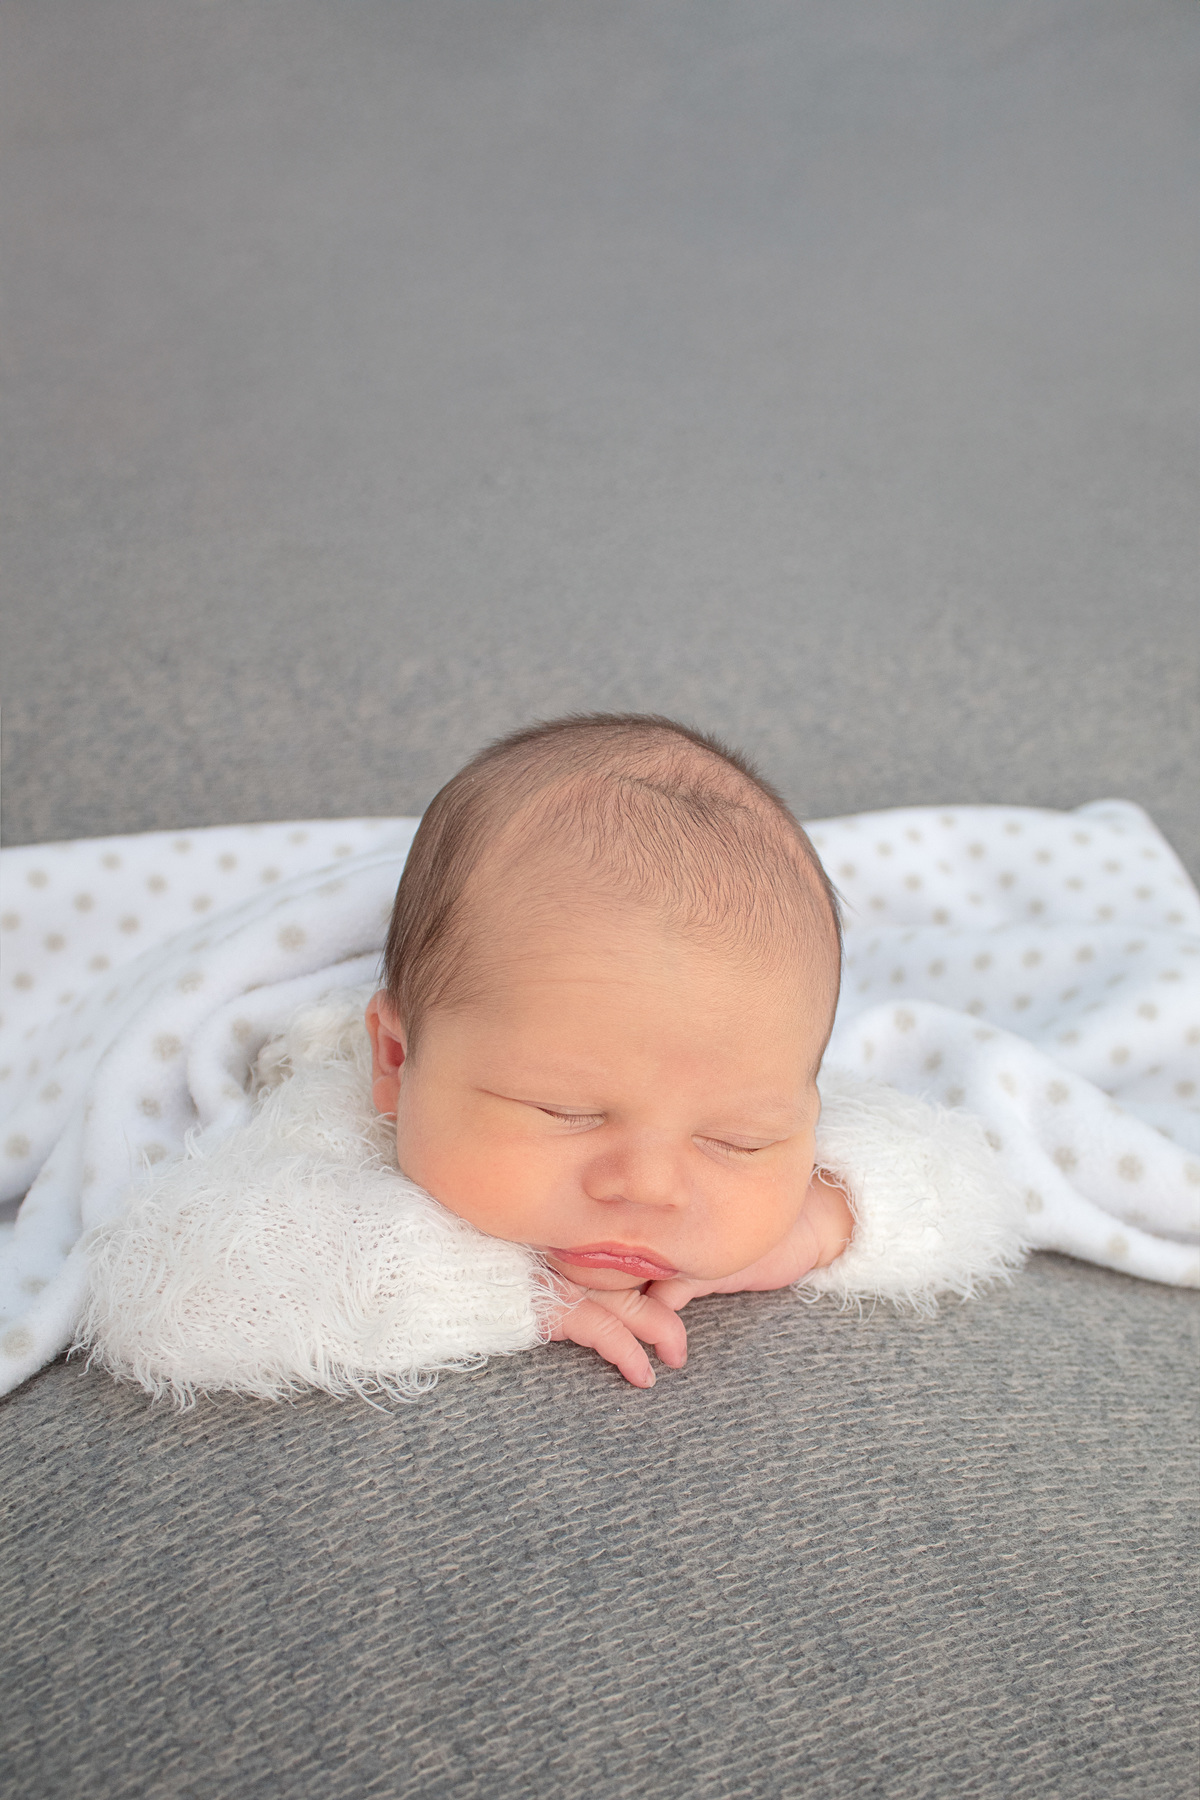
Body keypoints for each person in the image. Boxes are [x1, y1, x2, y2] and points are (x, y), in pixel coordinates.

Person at [364, 711, 856, 1390]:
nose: (648, 1185)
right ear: (396, 1059)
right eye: (566, 1111)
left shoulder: (754, 1059)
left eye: (737, 1142)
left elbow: (955, 1174)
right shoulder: (315, 1123)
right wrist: (498, 1293)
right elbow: (235, 1275)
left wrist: (825, 1217)